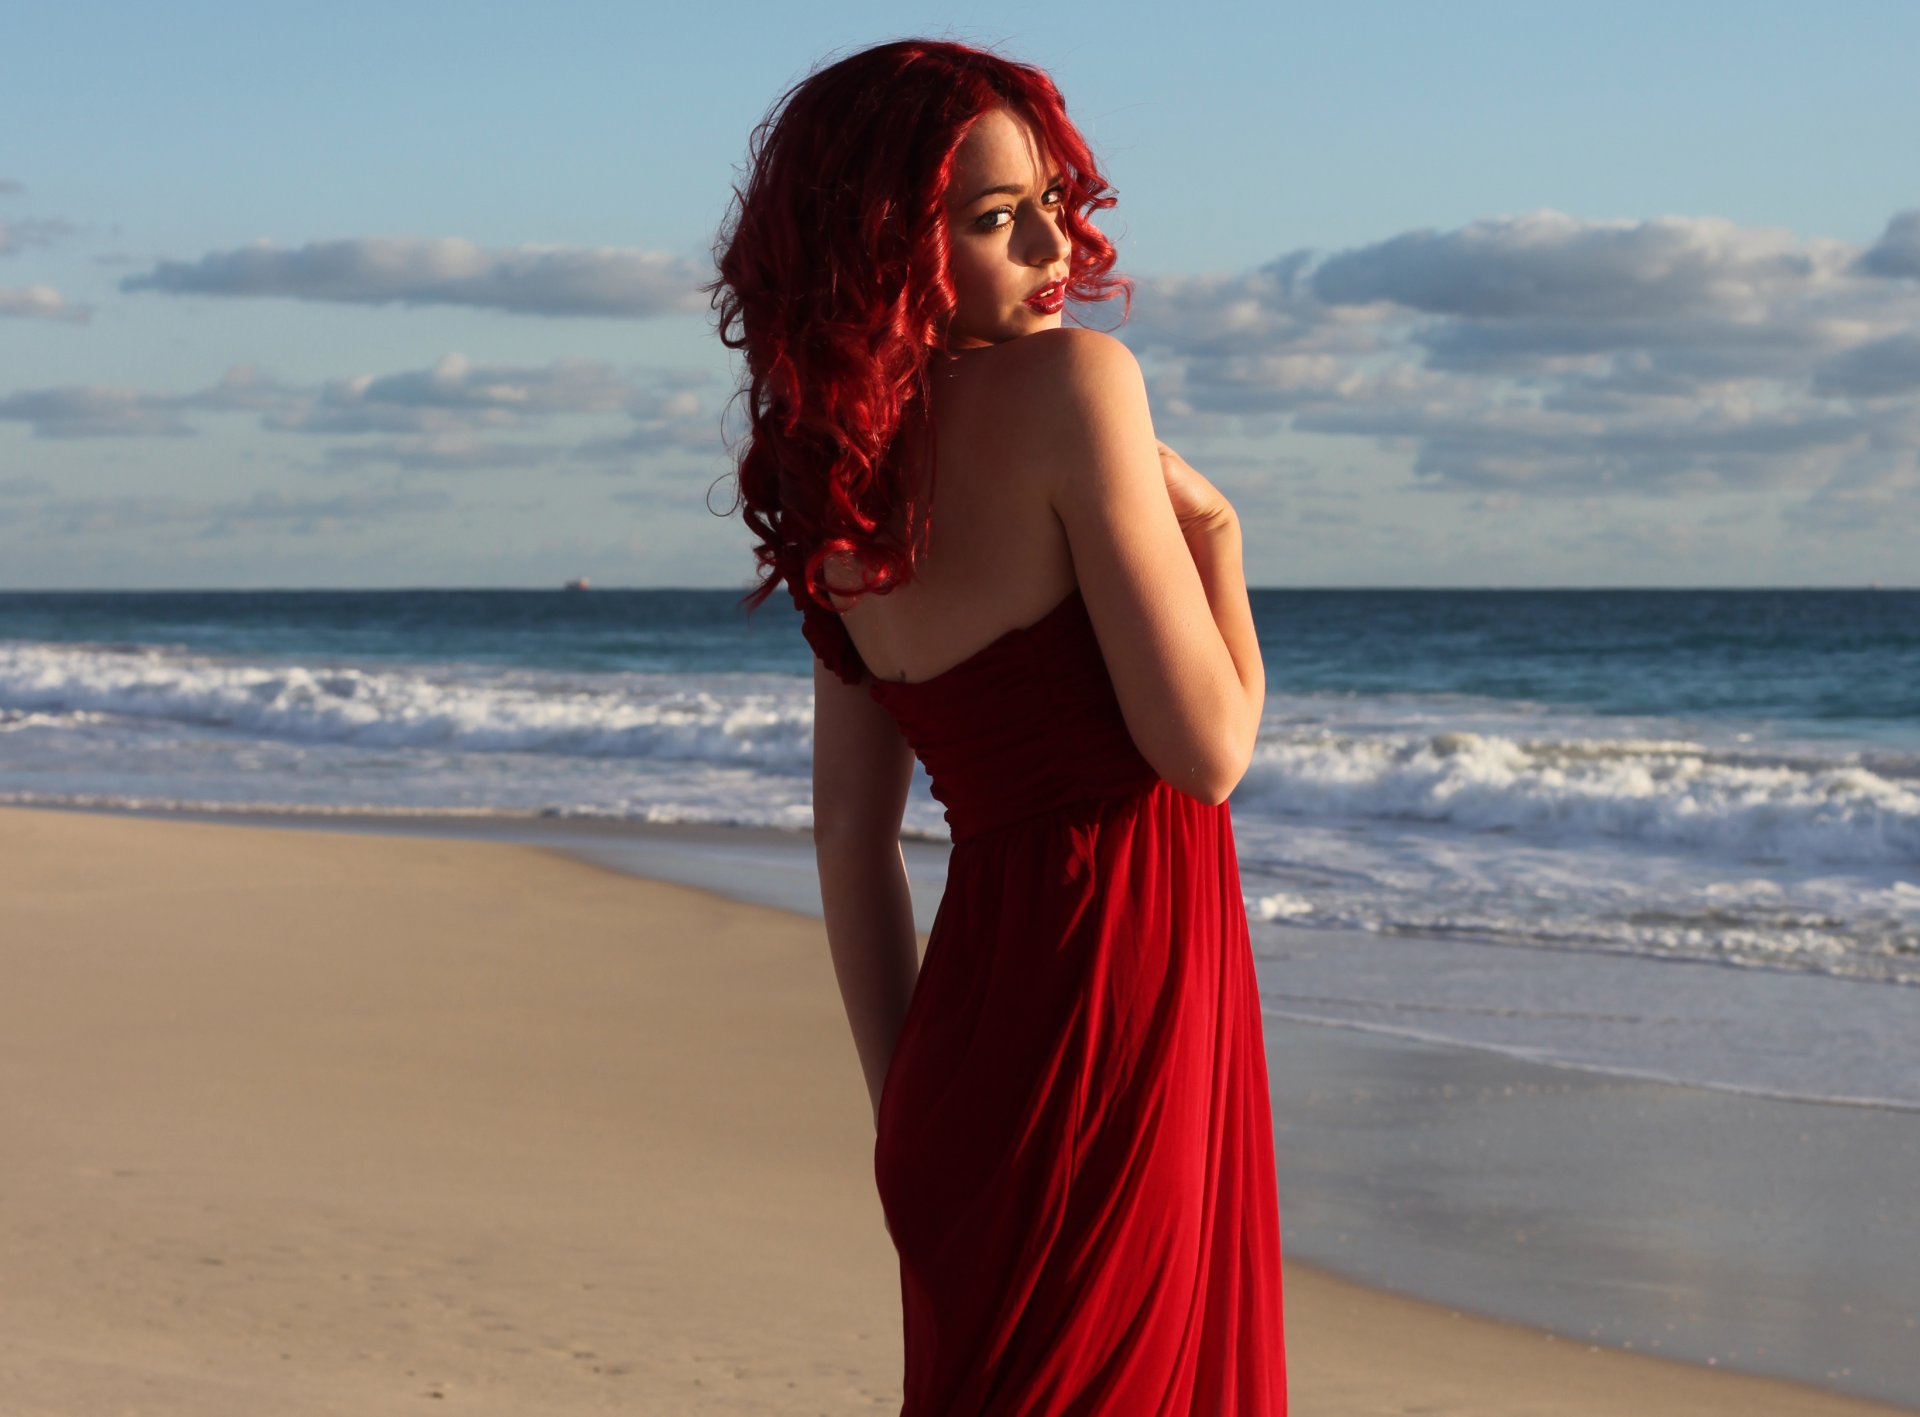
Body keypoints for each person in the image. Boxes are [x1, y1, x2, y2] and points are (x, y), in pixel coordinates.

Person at [709, 38, 1286, 1414]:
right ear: (881, 248)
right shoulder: (1075, 389)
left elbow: (854, 834)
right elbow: (1207, 752)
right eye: (992, 216)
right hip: (1121, 1006)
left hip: (958, 1047)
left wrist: (903, 1106)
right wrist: (1222, 537)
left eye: (1044, 201)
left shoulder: (832, 478)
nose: (1054, 242)